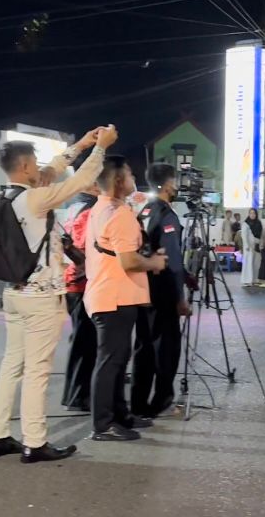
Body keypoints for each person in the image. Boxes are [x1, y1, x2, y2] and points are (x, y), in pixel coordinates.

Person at [0, 126, 111, 464]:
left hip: (14, 293)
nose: (41, 168)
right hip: (41, 297)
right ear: (26, 166)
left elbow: (54, 170)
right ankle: (35, 442)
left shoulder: (7, 198)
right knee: (37, 371)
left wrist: (81, 144)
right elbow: (77, 180)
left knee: (12, 364)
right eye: (35, 163)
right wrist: (100, 149)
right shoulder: (35, 199)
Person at [85, 155, 164, 441]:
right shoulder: (118, 215)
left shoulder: (103, 208)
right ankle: (103, 424)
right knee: (110, 362)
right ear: (119, 181)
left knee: (117, 361)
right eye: (130, 173)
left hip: (110, 294)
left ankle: (119, 415)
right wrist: (154, 263)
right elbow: (129, 261)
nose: (134, 178)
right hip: (113, 297)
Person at [132, 163, 191, 420]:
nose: (177, 185)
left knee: (143, 346)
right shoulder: (167, 215)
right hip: (162, 290)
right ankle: (162, 400)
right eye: (175, 180)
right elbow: (173, 262)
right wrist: (180, 297)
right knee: (166, 348)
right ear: (167, 185)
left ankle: (138, 401)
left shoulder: (143, 210)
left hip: (141, 288)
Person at [61, 183, 99, 412]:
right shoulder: (90, 209)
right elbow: (83, 247)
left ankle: (78, 393)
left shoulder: (74, 206)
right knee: (85, 342)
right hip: (82, 282)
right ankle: (78, 395)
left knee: (81, 340)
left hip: (72, 281)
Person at [240, 209, 262, 287]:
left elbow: (260, 235)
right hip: (248, 247)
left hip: (256, 246)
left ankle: (254, 279)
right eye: (251, 213)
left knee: (256, 264)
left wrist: (259, 244)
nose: (253, 215)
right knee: (248, 263)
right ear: (249, 214)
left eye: (254, 213)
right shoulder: (245, 224)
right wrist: (247, 245)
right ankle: (246, 280)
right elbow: (244, 236)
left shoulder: (258, 223)